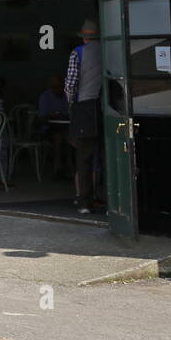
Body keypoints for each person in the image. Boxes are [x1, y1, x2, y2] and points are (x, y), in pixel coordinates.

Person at [65, 19, 104, 214]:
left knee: (84, 157)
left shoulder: (78, 52)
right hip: (106, 106)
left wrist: (72, 105)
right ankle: (108, 201)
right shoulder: (108, 50)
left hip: (84, 106)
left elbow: (71, 84)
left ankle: (83, 202)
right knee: (107, 156)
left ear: (84, 37)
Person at [37, 74, 71, 179]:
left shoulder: (67, 96)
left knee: (71, 138)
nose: (58, 89)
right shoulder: (45, 97)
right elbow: (41, 119)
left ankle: (72, 170)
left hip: (65, 126)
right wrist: (51, 115)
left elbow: (70, 114)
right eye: (55, 87)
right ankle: (58, 169)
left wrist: (63, 115)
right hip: (49, 129)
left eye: (60, 86)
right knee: (58, 138)